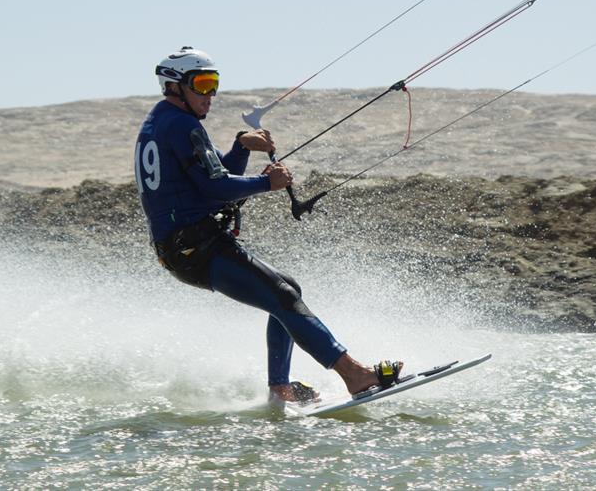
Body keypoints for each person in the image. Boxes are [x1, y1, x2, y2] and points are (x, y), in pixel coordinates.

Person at [134, 46, 402, 403]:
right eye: (201, 83)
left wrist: (241, 145)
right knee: (283, 296)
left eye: (214, 83)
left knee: (286, 290)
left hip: (186, 246)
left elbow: (209, 180)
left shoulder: (160, 122)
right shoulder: (183, 126)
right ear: (174, 86)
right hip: (194, 246)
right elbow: (215, 189)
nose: (210, 94)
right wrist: (267, 183)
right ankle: (355, 375)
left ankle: (281, 389)